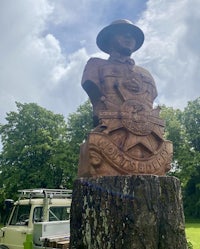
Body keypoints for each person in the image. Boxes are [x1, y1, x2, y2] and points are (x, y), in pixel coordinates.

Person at [78, 20, 172, 177]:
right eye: (122, 32)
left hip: (148, 142)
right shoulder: (95, 66)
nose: (129, 37)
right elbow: (92, 87)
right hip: (108, 136)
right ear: (109, 39)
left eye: (133, 35)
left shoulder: (145, 74)